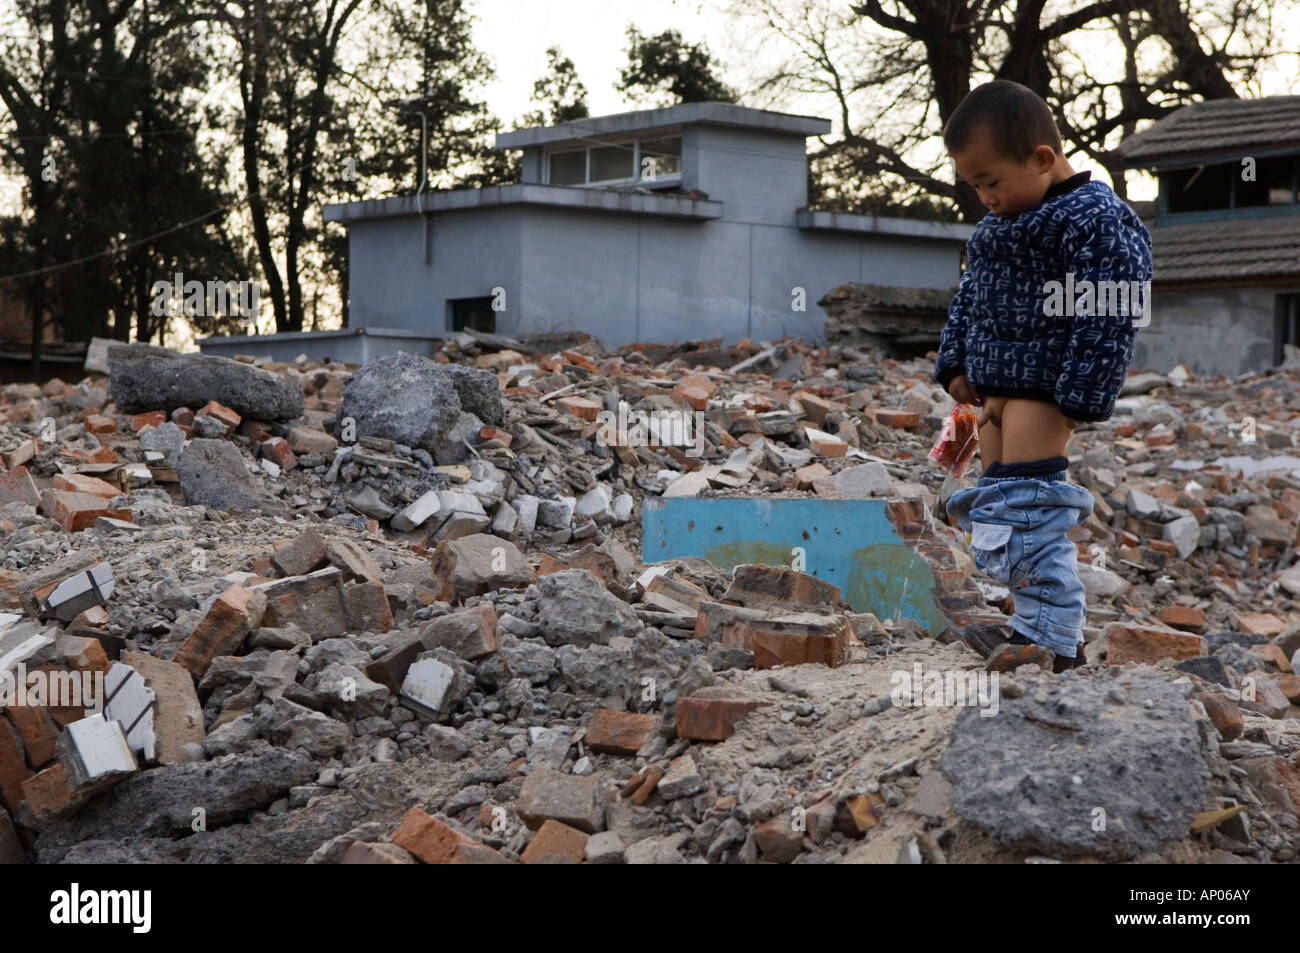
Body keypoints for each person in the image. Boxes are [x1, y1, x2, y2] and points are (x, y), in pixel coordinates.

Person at [933, 80, 1152, 674]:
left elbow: (1111, 307)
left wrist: (1083, 390)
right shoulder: (994, 230)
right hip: (992, 394)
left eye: (992, 181)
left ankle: (1058, 643)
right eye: (975, 186)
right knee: (998, 517)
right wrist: (954, 363)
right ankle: (1027, 623)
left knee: (1032, 516)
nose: (986, 198)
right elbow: (969, 298)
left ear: (1042, 158)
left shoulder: (1095, 218)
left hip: (1043, 391)